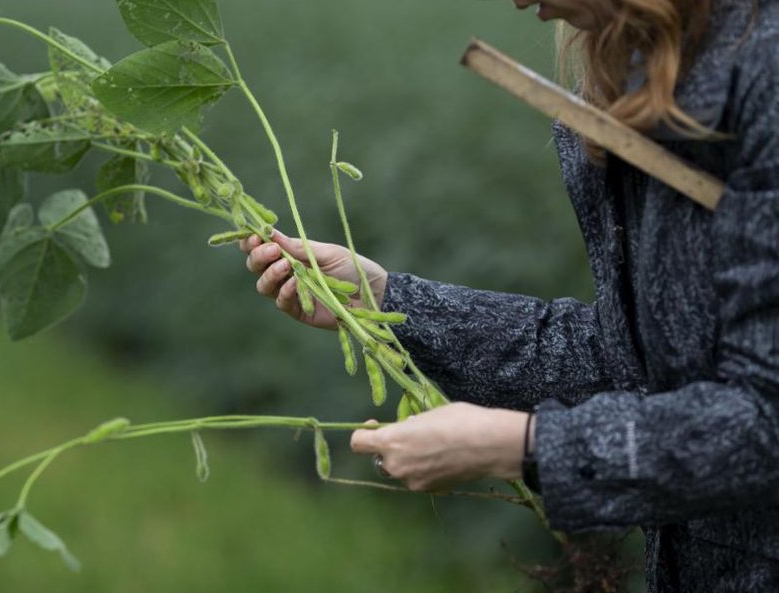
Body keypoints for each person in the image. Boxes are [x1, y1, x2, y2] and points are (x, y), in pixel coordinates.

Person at [242, 0, 778, 591]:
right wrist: (388, 302)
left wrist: (524, 447)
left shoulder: (765, 74)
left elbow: (765, 421)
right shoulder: (639, 75)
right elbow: (631, 364)